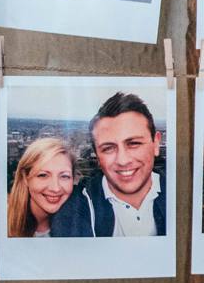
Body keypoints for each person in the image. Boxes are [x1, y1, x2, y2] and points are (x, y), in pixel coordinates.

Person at [51, 93, 166, 237]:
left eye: (134, 143)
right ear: (97, 156)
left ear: (156, 144)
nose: (123, 160)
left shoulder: (182, 196)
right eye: (108, 148)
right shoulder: (73, 211)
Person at [6, 135, 75, 238]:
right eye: (43, 175)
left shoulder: (80, 225)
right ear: (25, 178)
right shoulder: (1, 222)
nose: (55, 188)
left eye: (64, 176)